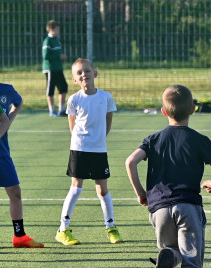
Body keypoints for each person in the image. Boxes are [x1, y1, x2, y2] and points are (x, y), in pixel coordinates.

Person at [125, 84, 211, 268]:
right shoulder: (200, 140)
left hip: (159, 209)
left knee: (173, 250)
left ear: (163, 112)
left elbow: (130, 162)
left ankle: (169, 257)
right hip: (188, 206)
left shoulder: (154, 140)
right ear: (193, 109)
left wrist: (142, 193)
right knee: (192, 264)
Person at [55, 59, 122, 246]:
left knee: (102, 189)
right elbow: (72, 125)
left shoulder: (106, 97)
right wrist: (82, 141)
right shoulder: (74, 100)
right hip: (79, 148)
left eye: (87, 71)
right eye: (79, 73)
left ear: (95, 73)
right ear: (75, 80)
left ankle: (111, 227)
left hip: (99, 149)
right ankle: (63, 229)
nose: (84, 74)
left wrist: (99, 139)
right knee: (76, 188)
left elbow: (108, 121)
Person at [0, 83, 42, 248]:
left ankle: (19, 236)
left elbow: (17, 104)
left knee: (15, 192)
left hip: (2, 153)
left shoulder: (7, 89)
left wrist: (9, 120)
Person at [42, 19, 68, 118]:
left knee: (63, 87)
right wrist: (59, 57)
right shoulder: (47, 41)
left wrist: (62, 57)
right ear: (51, 29)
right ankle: (52, 111)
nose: (59, 31)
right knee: (51, 89)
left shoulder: (56, 40)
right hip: (50, 69)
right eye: (57, 29)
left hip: (58, 68)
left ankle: (62, 110)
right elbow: (46, 56)